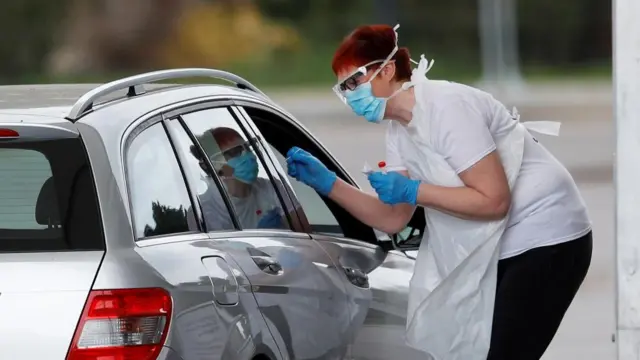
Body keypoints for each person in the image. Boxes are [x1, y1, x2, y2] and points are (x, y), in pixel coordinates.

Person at [286, 24, 592, 360]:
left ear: (387, 70)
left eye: (353, 81)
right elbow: (392, 219)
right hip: (502, 243)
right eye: (341, 88)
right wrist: (329, 183)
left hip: (547, 234)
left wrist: (413, 190)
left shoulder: (447, 108)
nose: (348, 95)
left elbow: (494, 201)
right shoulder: (399, 132)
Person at [187, 127, 301, 231]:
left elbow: (305, 236)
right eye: (235, 152)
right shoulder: (202, 212)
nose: (248, 156)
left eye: (248, 147)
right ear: (210, 164)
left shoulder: (272, 187)